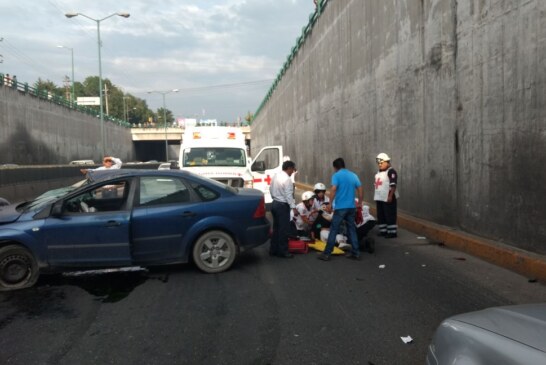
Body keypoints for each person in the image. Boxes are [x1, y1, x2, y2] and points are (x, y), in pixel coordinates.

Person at [318, 158, 363, 261]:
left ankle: (327, 253)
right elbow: (360, 189)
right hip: (351, 207)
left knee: (334, 229)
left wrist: (330, 203)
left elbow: (333, 189)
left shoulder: (336, 176)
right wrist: (360, 203)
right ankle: (356, 253)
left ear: (335, 167)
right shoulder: (353, 175)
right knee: (351, 229)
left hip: (340, 208)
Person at [269, 160, 297, 258]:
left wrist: (274, 198)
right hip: (282, 206)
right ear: (289, 168)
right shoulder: (287, 179)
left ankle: (273, 249)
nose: (293, 172)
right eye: (293, 169)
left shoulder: (276, 176)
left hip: (274, 204)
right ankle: (283, 251)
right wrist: (293, 207)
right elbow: (289, 195)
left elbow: (270, 189)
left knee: (276, 229)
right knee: (283, 230)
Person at [374, 153, 399, 238]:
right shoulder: (378, 172)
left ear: (387, 162)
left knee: (390, 214)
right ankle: (383, 231)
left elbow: (393, 185)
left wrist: (390, 196)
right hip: (380, 198)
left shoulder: (391, 172)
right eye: (378, 163)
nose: (380, 165)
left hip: (388, 197)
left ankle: (392, 232)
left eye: (382, 163)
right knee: (381, 214)